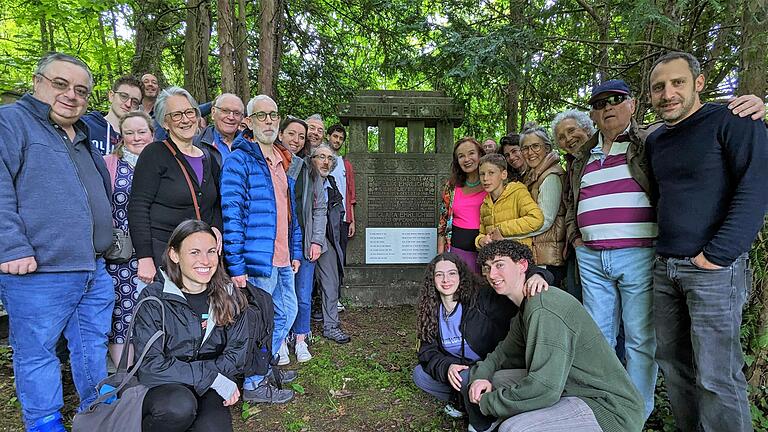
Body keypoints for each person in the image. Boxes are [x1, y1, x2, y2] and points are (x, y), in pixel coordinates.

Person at [646, 51, 768, 432]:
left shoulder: (734, 120)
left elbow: (755, 187)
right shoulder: (656, 141)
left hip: (713, 270)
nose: (668, 93)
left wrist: (717, 255)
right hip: (665, 268)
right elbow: (661, 196)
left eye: (677, 82)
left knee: (717, 376)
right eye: (658, 87)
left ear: (699, 83)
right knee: (674, 367)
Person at [0, 52, 114, 432]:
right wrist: (11, 247)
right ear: (37, 82)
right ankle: (45, 422)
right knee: (36, 352)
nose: (71, 95)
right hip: (40, 270)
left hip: (92, 267)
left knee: (91, 344)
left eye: (81, 90)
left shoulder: (82, 136)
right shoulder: (12, 123)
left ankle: (98, 408)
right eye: (60, 84)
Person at [462, 240, 645, 432]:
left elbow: (543, 389)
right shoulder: (526, 308)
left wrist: (487, 402)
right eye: (487, 267)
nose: (492, 275)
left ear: (522, 265)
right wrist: (480, 377)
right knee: (495, 380)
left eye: (500, 265)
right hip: (569, 386)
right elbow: (502, 354)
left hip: (608, 408)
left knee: (514, 429)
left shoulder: (543, 308)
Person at [221, 94, 301, 404]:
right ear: (249, 122)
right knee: (258, 321)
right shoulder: (239, 160)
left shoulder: (282, 160)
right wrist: (237, 266)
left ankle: (263, 366)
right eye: (261, 115)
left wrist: (295, 250)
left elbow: (289, 213)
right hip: (257, 261)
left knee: (287, 312)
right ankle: (254, 383)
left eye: (273, 115)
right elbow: (232, 213)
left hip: (282, 259)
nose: (268, 120)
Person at [133, 219, 247, 432]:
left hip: (209, 385)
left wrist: (210, 378)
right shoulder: (153, 300)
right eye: (194, 252)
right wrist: (209, 376)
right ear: (174, 255)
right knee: (178, 407)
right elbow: (149, 367)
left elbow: (236, 355)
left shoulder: (229, 295)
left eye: (211, 251)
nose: (205, 260)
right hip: (166, 387)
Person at [413, 252, 553, 418]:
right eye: (439, 274)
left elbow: (513, 277)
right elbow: (427, 351)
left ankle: (477, 401)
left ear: (461, 275)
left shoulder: (481, 298)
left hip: (491, 367)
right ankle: (467, 399)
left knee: (467, 378)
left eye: (452, 273)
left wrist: (538, 275)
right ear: (432, 280)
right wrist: (447, 367)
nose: (446, 280)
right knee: (420, 375)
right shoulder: (431, 310)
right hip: (462, 368)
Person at [128, 86, 223, 286]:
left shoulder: (209, 156)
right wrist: (144, 257)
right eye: (177, 114)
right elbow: (138, 206)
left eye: (190, 112)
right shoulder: (154, 154)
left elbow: (214, 204)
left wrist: (215, 227)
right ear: (165, 122)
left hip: (200, 260)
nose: (185, 119)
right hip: (164, 255)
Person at [103, 110, 155, 367]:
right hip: (122, 254)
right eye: (130, 133)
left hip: (158, 250)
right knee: (123, 314)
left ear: (152, 133)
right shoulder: (109, 164)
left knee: (155, 312)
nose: (136, 137)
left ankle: (154, 372)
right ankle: (126, 376)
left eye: (141, 131)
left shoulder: (161, 162)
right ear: (121, 137)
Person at [281, 116, 327, 363]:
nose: (296, 140)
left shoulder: (310, 168)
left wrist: (317, 240)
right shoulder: (271, 163)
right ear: (280, 134)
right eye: (291, 135)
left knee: (303, 291)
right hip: (278, 240)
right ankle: (280, 339)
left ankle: (300, 338)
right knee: (279, 292)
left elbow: (320, 207)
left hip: (306, 238)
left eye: (301, 136)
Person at [550, 110, 595, 302]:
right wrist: (575, 238)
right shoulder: (571, 165)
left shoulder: (604, 154)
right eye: (561, 137)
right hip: (580, 249)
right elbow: (570, 205)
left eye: (571, 130)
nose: (568, 139)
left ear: (586, 128)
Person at [311, 143, 351, 343]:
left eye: (329, 158)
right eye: (321, 157)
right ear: (311, 160)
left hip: (325, 240)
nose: (326, 162)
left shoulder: (332, 183)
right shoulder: (304, 180)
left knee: (331, 281)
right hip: (300, 238)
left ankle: (331, 325)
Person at [519, 126, 567, 287]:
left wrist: (509, 234)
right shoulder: (532, 175)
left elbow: (544, 220)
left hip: (548, 258)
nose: (530, 152)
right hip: (537, 254)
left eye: (535, 146)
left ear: (547, 148)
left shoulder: (551, 176)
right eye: (525, 148)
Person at [437, 137, 487, 273]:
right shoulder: (451, 187)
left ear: (480, 155)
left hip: (486, 254)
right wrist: (441, 258)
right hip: (457, 253)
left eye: (471, 153)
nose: (467, 159)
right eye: (461, 156)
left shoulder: (491, 184)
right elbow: (442, 224)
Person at [475, 153, 543, 250]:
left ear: (503, 174)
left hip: (518, 256)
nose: (485, 178)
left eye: (491, 173)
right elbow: (482, 233)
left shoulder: (518, 193)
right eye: (482, 174)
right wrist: (480, 241)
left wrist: (501, 229)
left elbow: (536, 218)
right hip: (495, 258)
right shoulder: (485, 205)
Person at [327, 123, 356, 313]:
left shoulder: (346, 165)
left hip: (343, 217)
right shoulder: (322, 159)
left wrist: (352, 219)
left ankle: (335, 297)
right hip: (324, 215)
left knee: (339, 257)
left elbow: (351, 194)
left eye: (341, 138)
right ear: (328, 136)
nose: (337, 140)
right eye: (335, 136)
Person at [82, 74, 144, 155]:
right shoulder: (86, 125)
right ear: (111, 96)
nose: (128, 104)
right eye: (124, 96)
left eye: (135, 102)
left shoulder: (137, 138)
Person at [194, 93, 245, 165]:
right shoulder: (195, 145)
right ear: (213, 112)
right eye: (225, 111)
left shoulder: (249, 145)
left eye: (236, 113)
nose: (231, 117)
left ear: (241, 118)